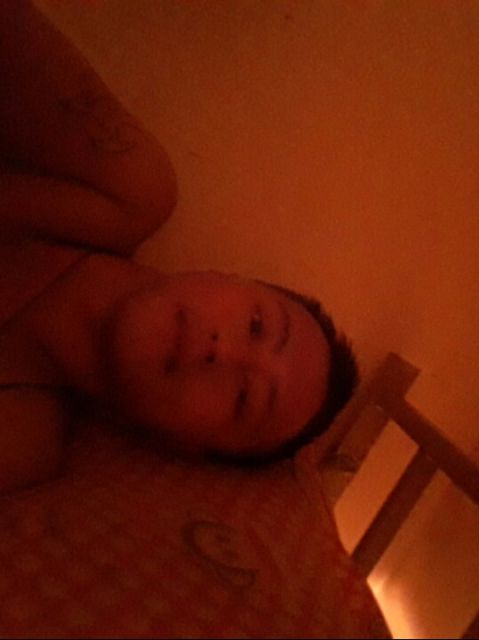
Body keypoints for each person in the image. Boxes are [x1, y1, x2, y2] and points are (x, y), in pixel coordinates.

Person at [0, 2, 358, 495]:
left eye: (243, 399)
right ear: (227, 276)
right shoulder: (122, 190)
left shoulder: (17, 441)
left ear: (187, 449)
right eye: (256, 325)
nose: (223, 352)